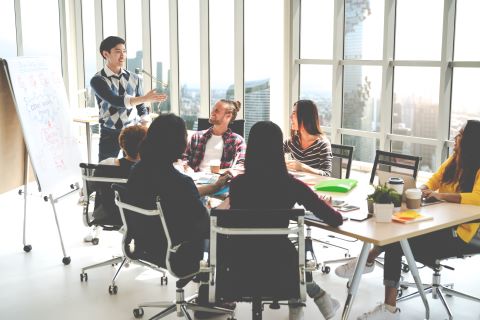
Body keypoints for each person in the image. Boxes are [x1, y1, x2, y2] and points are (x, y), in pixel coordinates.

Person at [336, 120, 480, 320]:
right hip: (441, 223)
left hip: (461, 234)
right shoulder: (454, 160)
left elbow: (478, 198)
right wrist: (418, 191)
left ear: (471, 141)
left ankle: (380, 288)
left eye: (461, 134)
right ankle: (386, 301)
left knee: (396, 241)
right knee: (397, 232)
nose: (456, 136)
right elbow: (433, 181)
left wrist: (442, 196)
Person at [225, 121, 344, 320]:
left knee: (279, 253)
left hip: (239, 262)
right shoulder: (291, 185)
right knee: (288, 254)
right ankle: (314, 300)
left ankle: (314, 301)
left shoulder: (237, 185)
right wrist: (328, 206)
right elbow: (335, 219)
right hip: (279, 262)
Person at [125, 114, 235, 318]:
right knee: (224, 234)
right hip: (178, 252)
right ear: (177, 143)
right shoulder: (179, 182)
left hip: (145, 244)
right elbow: (206, 225)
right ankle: (209, 298)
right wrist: (231, 201)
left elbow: (174, 195)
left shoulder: (138, 171)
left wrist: (211, 188)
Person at [91, 36, 167, 162]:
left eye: (124, 51)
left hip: (133, 133)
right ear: (105, 54)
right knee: (105, 170)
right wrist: (144, 98)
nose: (122, 55)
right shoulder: (98, 80)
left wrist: (145, 122)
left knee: (138, 170)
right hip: (110, 133)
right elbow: (116, 100)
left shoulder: (134, 78)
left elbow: (140, 107)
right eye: (117, 52)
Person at [84, 125, 148, 243]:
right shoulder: (148, 170)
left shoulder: (106, 164)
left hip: (107, 215)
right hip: (140, 217)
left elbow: (90, 188)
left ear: (122, 145)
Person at [183, 99, 246, 172]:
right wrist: (186, 167)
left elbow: (241, 165)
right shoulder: (197, 137)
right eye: (213, 109)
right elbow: (184, 158)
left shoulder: (237, 141)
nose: (212, 112)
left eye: (217, 111)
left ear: (228, 116)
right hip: (195, 180)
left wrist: (227, 175)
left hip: (222, 182)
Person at [284, 100, 332, 176]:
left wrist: (302, 167)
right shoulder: (292, 141)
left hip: (314, 187)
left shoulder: (322, 144)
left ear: (305, 117)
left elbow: (327, 174)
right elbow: (273, 152)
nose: (290, 117)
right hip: (297, 184)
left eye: (294, 113)